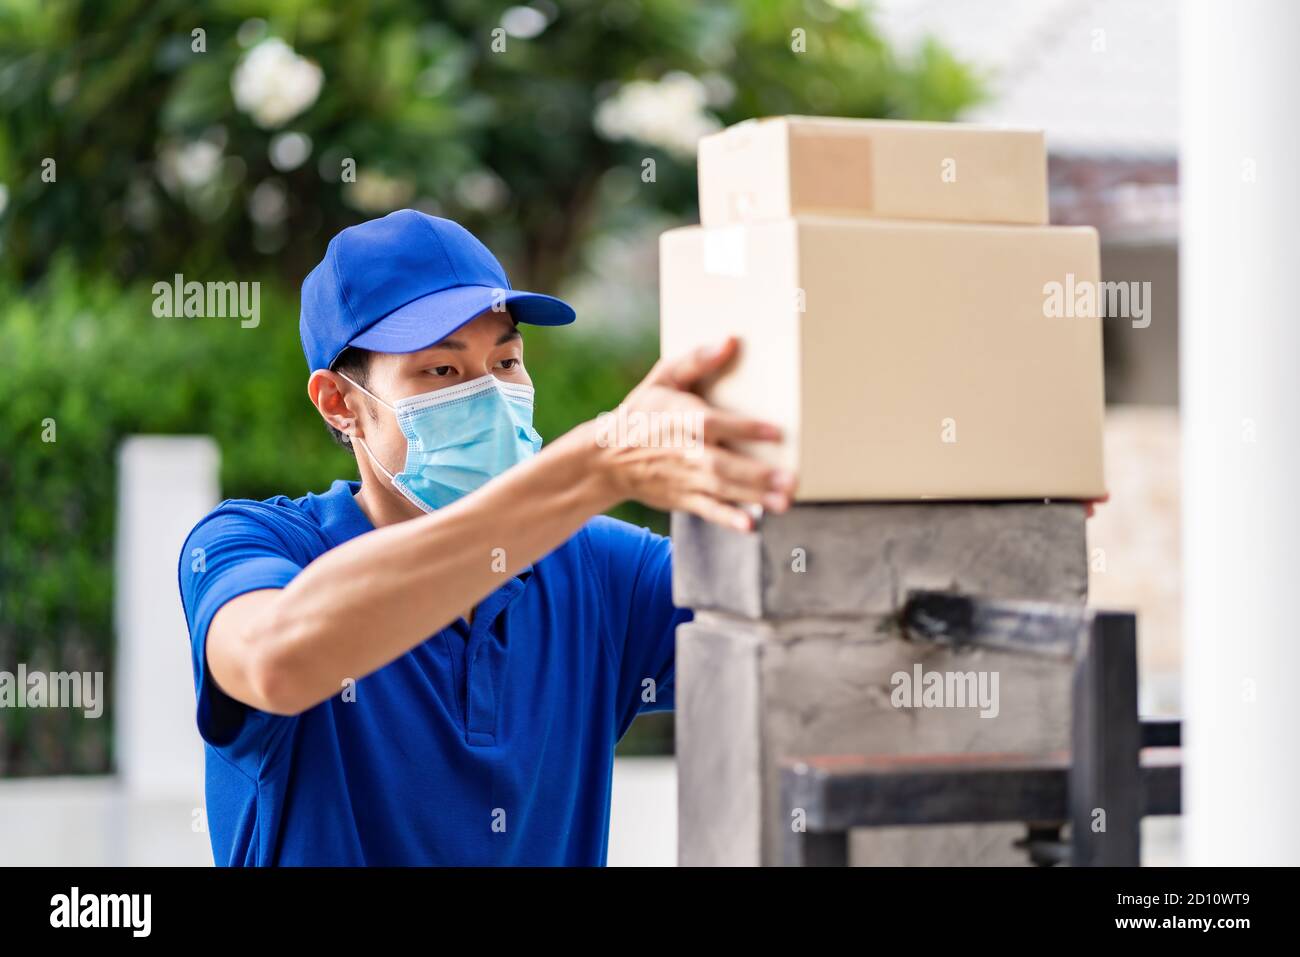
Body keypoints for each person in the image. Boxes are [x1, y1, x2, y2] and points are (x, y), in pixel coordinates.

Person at [177, 209, 795, 865]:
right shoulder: (251, 545)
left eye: (506, 360)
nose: (491, 395)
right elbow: (278, 661)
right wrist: (592, 464)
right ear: (339, 401)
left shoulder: (594, 568)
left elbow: (806, 621)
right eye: (441, 371)